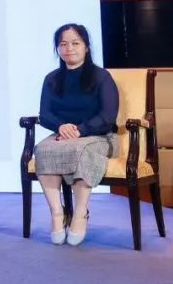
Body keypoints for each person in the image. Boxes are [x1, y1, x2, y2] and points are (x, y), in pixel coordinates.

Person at [34, 23, 120, 247]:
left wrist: (80, 130)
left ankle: (80, 212)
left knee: (82, 150)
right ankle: (57, 212)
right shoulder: (52, 79)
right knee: (42, 149)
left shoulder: (101, 76)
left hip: (99, 136)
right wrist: (61, 126)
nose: (69, 48)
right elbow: (45, 114)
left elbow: (108, 116)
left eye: (75, 43)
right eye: (63, 44)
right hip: (63, 136)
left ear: (86, 47)